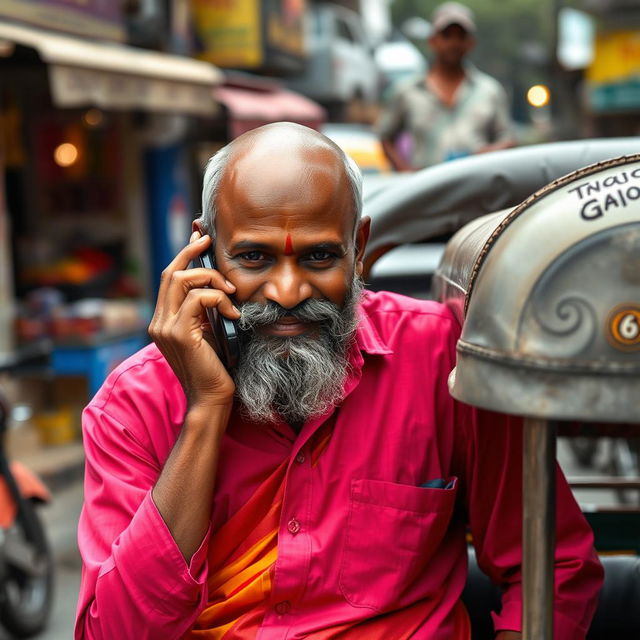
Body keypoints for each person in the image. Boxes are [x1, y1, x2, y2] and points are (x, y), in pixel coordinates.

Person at [75, 122, 601, 640]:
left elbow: (551, 567)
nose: (286, 291)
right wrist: (206, 410)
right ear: (204, 252)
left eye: (318, 256)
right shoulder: (133, 404)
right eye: (254, 257)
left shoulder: (441, 358)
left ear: (359, 245)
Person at [376, 2, 515, 171]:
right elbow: (385, 135)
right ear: (433, 40)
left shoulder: (489, 90)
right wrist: (405, 171)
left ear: (470, 42)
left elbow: (508, 140)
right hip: (427, 189)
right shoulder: (408, 90)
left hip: (478, 188)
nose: (454, 43)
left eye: (461, 36)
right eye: (447, 35)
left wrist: (486, 153)